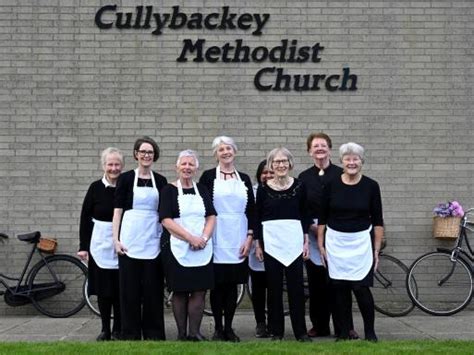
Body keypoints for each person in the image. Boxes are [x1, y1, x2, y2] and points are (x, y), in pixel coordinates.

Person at [318, 142, 384, 342]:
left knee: (361, 289)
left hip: (361, 243)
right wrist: (321, 246)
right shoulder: (330, 185)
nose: (352, 162)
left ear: (361, 162)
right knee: (340, 290)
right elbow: (322, 219)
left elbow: (378, 221)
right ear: (341, 161)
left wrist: (376, 250)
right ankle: (344, 332)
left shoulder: (371, 186)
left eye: (356, 159)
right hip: (336, 243)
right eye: (348, 159)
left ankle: (370, 333)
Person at [298, 133, 357, 339]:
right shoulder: (304, 178)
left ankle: (346, 326)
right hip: (314, 236)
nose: (320, 149)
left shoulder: (342, 174)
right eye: (315, 146)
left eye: (323, 145)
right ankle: (320, 325)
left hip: (339, 234)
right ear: (309, 151)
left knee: (341, 283)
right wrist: (313, 229)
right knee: (316, 284)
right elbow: (301, 209)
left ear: (330, 149)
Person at [199, 136, 256, 342]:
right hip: (216, 235)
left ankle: (230, 328)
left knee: (232, 286)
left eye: (229, 148)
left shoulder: (245, 178)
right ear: (216, 154)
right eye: (221, 149)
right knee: (217, 286)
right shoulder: (207, 177)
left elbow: (252, 210)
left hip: (238, 236)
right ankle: (218, 328)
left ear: (235, 152)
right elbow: (203, 207)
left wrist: (250, 237)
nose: (225, 152)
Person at [112, 136, 168, 340]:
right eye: (143, 151)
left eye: (150, 152)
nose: (146, 155)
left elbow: (164, 214)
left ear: (154, 156)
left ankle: (154, 333)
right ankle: (131, 333)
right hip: (129, 241)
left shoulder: (160, 181)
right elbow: (117, 211)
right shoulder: (126, 179)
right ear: (136, 154)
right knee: (129, 291)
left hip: (152, 240)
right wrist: (115, 240)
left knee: (153, 290)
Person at [255, 147, 311, 342]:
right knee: (274, 289)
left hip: (294, 243)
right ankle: (276, 331)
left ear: (290, 164)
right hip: (271, 244)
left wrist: (305, 240)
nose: (280, 165)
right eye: (276, 162)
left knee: (296, 289)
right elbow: (257, 217)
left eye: (284, 161)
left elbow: (305, 214)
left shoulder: (300, 186)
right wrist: (258, 244)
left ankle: (301, 332)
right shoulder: (263, 189)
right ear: (271, 165)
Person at [160, 150, 217, 341]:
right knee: (180, 291)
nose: (187, 167)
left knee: (200, 290)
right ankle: (182, 334)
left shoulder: (202, 189)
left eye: (191, 164)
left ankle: (195, 332)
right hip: (178, 247)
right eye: (183, 164)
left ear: (196, 168)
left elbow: (211, 215)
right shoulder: (168, 190)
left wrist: (204, 238)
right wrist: (190, 238)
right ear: (176, 167)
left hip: (202, 247)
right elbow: (166, 220)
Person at [78, 147, 124, 341]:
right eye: (110, 164)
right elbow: (85, 218)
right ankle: (105, 328)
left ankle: (119, 329)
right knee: (104, 291)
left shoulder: (127, 185)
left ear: (122, 166)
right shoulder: (95, 188)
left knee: (121, 290)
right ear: (103, 165)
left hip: (123, 244)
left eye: (117, 164)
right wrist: (83, 246)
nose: (113, 168)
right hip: (99, 244)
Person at [249, 160, 274, 338]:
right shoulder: (253, 192)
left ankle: (274, 322)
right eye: (264, 172)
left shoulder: (283, 190)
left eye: (271, 173)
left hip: (276, 245)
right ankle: (260, 323)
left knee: (274, 287)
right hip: (257, 244)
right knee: (258, 288)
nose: (268, 176)